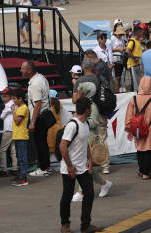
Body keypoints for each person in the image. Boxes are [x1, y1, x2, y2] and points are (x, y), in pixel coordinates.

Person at [59, 97, 103, 233]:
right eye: (91, 109)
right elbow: (62, 146)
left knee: (89, 194)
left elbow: (86, 144)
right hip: (69, 168)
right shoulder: (73, 125)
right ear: (87, 110)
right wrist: (70, 166)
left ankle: (86, 225)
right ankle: (65, 225)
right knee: (67, 196)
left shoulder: (86, 124)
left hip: (83, 167)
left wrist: (89, 159)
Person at [70, 83, 112, 203]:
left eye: (80, 90)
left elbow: (93, 123)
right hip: (85, 138)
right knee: (85, 166)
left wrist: (79, 118)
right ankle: (104, 183)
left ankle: (81, 192)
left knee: (84, 165)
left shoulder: (92, 106)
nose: (78, 91)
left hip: (90, 138)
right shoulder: (86, 104)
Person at [124, 76, 151, 180]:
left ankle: (141, 171)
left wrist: (129, 130)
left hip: (137, 128)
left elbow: (129, 117)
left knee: (140, 149)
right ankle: (146, 173)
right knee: (150, 150)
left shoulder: (133, 100)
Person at [21, 60, 53, 177]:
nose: (21, 71)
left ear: (29, 70)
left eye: (22, 69)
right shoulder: (41, 77)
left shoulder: (35, 84)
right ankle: (46, 166)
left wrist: (33, 122)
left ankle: (43, 168)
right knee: (43, 142)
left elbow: (38, 104)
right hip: (43, 114)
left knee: (40, 143)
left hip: (39, 117)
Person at [10, 88, 29, 186]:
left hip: (22, 136)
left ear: (20, 98)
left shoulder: (24, 108)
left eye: (14, 98)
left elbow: (17, 121)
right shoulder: (18, 107)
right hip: (17, 136)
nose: (13, 100)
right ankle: (20, 175)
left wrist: (13, 111)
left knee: (22, 158)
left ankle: (23, 178)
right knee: (19, 157)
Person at [0, 88, 18, 177]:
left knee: (2, 150)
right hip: (14, 129)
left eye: (6, 96)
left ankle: (4, 169)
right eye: (3, 97)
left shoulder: (8, 105)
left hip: (8, 130)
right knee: (13, 149)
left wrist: (4, 111)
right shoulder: (15, 104)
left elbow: (2, 116)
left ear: (11, 96)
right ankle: (15, 169)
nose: (4, 99)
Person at [126, 26, 144, 92]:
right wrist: (134, 58)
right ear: (139, 33)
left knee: (137, 82)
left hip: (137, 65)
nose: (143, 33)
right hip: (133, 65)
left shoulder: (138, 40)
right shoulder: (132, 41)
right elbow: (127, 50)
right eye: (142, 32)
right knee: (134, 83)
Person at [112, 27, 127, 91]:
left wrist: (124, 49)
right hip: (115, 59)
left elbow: (123, 46)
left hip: (121, 58)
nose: (121, 35)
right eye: (120, 34)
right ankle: (117, 89)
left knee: (120, 75)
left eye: (122, 34)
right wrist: (118, 49)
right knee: (117, 76)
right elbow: (110, 49)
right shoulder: (113, 38)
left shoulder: (122, 38)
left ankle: (118, 88)